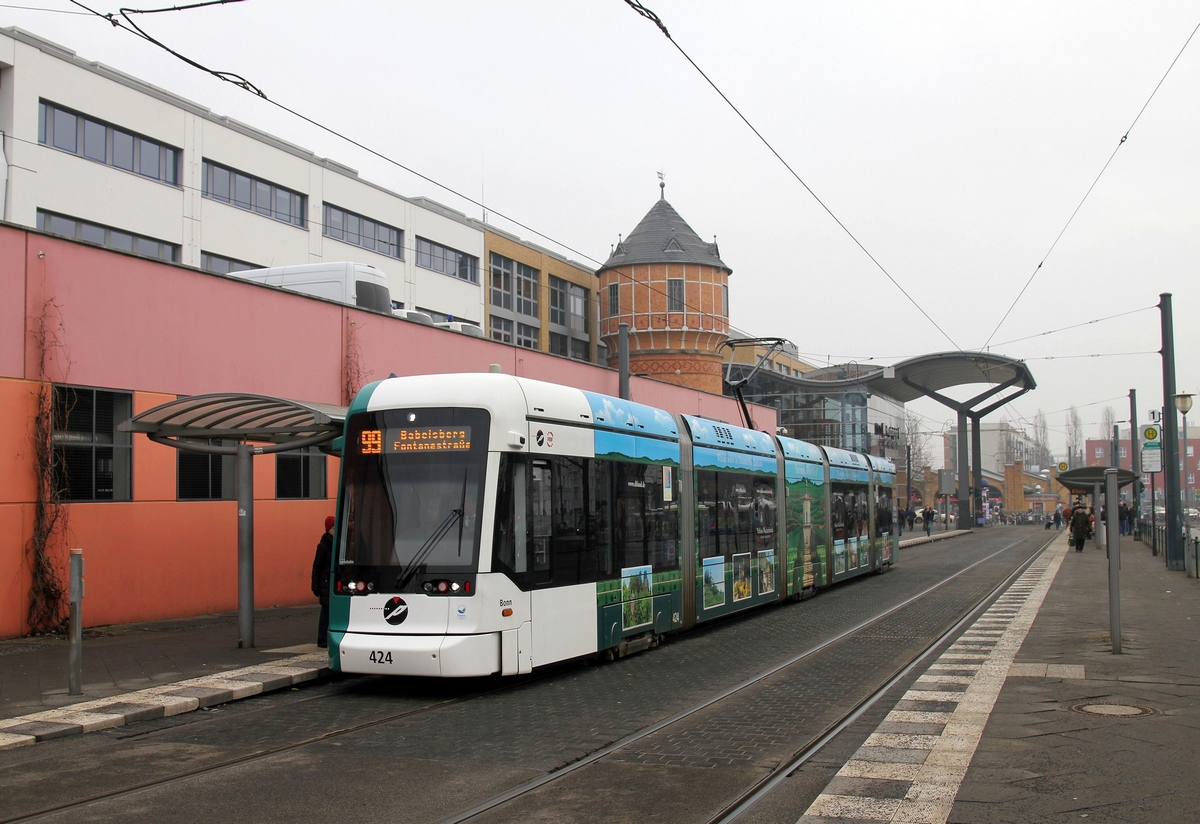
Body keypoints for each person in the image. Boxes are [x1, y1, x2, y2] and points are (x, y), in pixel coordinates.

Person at [311, 515, 334, 648]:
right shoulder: (324, 546)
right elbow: (317, 566)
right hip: (326, 583)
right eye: (333, 528)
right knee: (326, 612)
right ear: (328, 530)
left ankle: (326, 638)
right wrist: (315, 585)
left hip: (330, 583)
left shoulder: (338, 544)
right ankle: (322, 639)